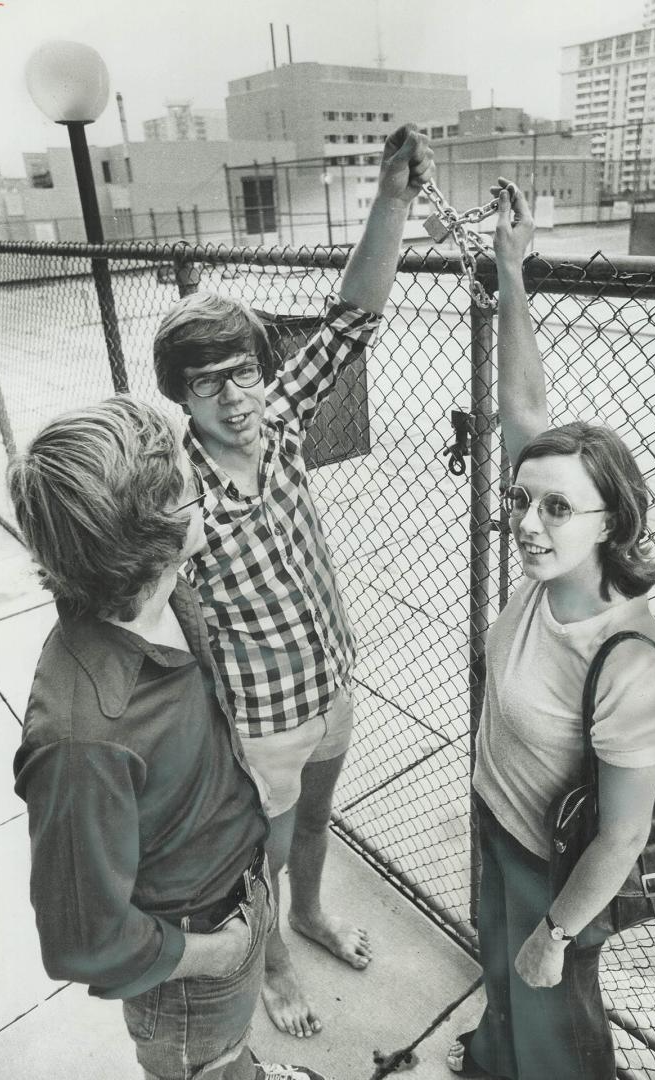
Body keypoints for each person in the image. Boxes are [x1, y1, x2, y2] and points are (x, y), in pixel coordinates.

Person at [152, 124, 435, 1038]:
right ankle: (272, 960)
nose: (233, 395)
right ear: (183, 395)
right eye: (208, 383)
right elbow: (156, 592)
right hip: (263, 714)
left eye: (242, 373)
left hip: (331, 681)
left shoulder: (278, 423)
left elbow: (352, 316)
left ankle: (310, 914)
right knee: (261, 853)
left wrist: (390, 200)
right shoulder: (174, 487)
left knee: (318, 822)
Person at [10, 397, 328, 1080]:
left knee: (231, 1050)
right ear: (155, 531)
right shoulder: (82, 739)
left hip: (238, 888)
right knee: (205, 1060)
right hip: (193, 959)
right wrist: (216, 953)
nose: (204, 487)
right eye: (190, 482)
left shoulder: (171, 595)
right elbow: (81, 939)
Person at [446, 182, 655, 1080]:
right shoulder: (547, 576)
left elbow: (618, 838)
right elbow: (527, 407)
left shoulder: (628, 661)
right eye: (520, 502)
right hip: (498, 821)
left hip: (558, 870)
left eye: (556, 509)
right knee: (504, 990)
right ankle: (496, 1055)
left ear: (610, 522)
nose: (528, 523)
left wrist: (558, 933)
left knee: (554, 1014)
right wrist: (511, 273)